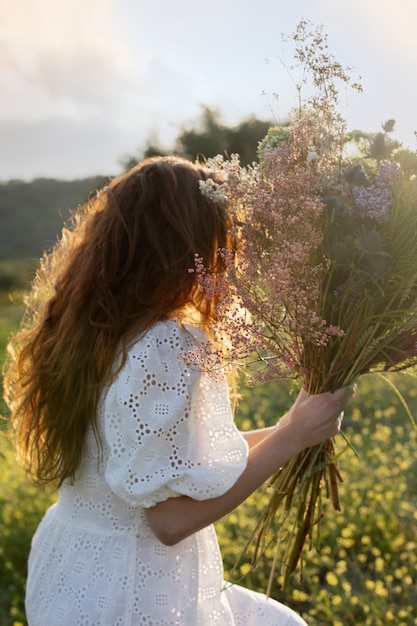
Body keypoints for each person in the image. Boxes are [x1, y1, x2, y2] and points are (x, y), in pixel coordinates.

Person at [4, 156, 351, 626]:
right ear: (189, 245)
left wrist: (293, 426)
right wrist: (291, 439)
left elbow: (167, 459)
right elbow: (169, 521)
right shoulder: (166, 341)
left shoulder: (82, 331)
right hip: (137, 587)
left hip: (73, 569)